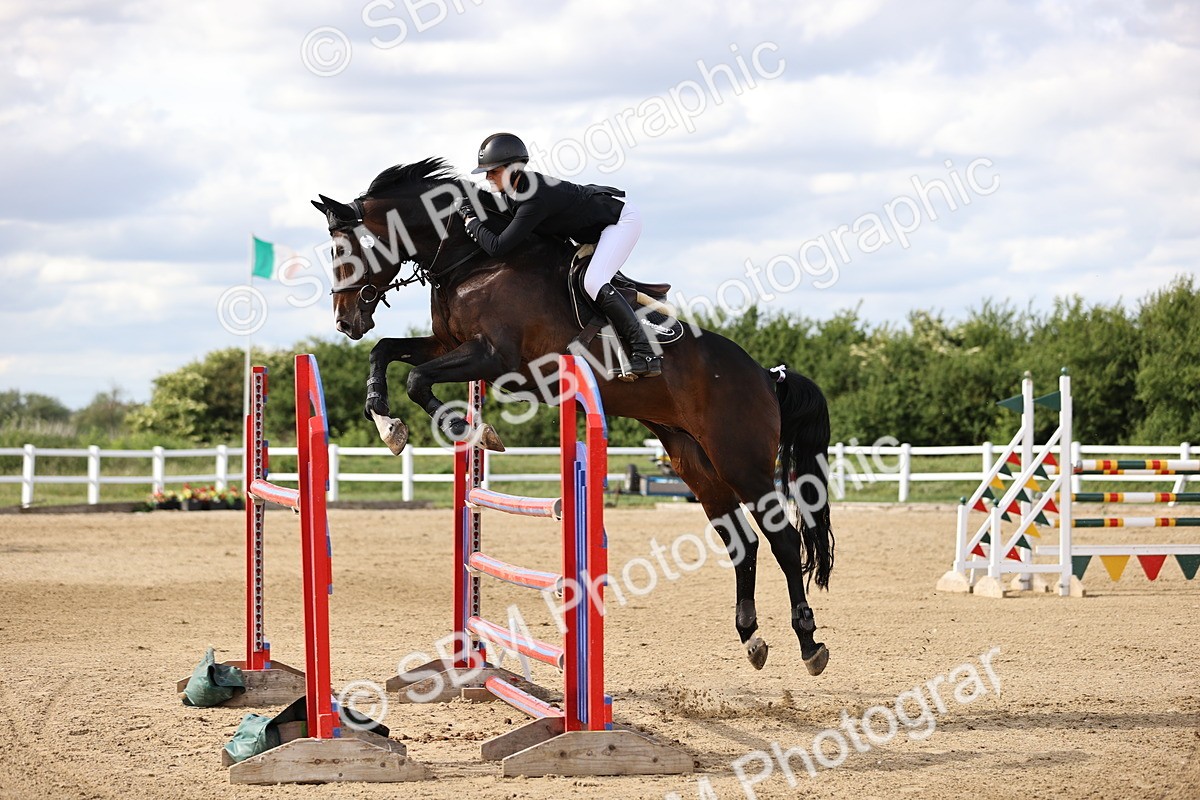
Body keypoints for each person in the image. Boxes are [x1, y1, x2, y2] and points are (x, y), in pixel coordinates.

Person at [457, 132, 661, 380]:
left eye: (493, 171)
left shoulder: (534, 197)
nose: (488, 177)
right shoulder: (511, 191)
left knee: (593, 281)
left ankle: (646, 353)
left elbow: (498, 247)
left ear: (514, 169)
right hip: (592, 228)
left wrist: (470, 220)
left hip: (620, 222)